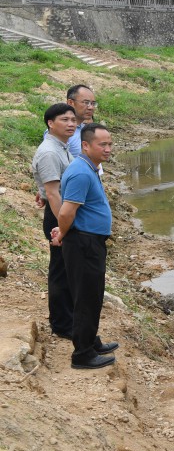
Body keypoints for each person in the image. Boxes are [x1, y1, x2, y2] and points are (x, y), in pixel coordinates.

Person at [50, 125, 119, 370]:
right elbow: (67, 211)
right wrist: (62, 232)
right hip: (83, 243)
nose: (108, 149)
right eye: (102, 145)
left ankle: (91, 342)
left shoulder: (89, 168)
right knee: (86, 298)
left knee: (92, 295)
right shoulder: (80, 172)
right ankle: (83, 354)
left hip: (89, 241)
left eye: (110, 144)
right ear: (86, 145)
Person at [31, 103, 77, 338]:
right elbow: (52, 193)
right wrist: (63, 226)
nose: (71, 124)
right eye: (64, 120)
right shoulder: (50, 151)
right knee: (60, 270)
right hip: (58, 214)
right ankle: (61, 325)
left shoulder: (61, 146)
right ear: (50, 123)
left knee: (67, 269)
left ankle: (68, 319)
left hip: (62, 212)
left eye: (72, 120)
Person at [43, 85, 98, 158]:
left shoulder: (85, 129)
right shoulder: (59, 131)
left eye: (93, 104)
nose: (91, 107)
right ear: (70, 102)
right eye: (86, 102)